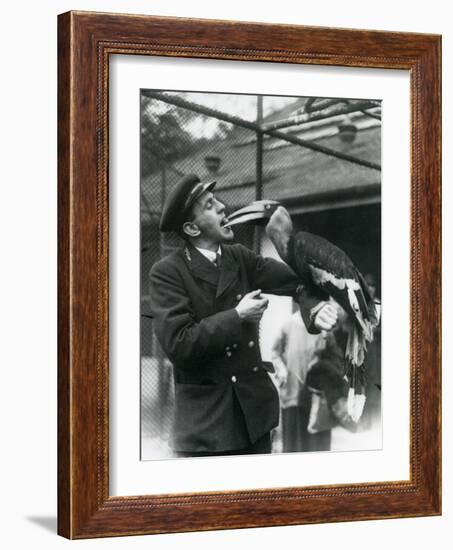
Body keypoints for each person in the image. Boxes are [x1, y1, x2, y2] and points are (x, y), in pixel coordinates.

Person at [149, 174, 338, 457]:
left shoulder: (239, 256)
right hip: (206, 425)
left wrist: (316, 308)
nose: (223, 207)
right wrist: (237, 316)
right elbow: (179, 343)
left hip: (255, 417)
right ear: (191, 227)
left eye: (217, 201)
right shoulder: (168, 272)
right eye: (210, 205)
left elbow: (299, 282)